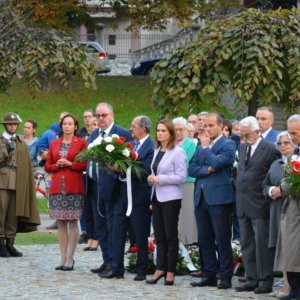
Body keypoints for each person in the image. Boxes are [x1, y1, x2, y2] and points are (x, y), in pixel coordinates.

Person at [101, 116, 154, 280]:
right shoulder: (131, 145)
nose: (130, 129)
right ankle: (117, 267)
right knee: (117, 230)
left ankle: (142, 269)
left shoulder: (151, 147)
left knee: (140, 233)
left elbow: (145, 170)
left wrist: (122, 167)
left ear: (143, 128)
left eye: (133, 126)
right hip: (122, 193)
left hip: (139, 195)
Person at [189, 113, 236, 290]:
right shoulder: (202, 144)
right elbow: (192, 169)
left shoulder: (228, 144)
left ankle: (225, 276)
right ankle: (208, 274)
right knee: (204, 239)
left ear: (220, 125)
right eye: (205, 126)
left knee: (222, 239)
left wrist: (208, 151)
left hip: (219, 199)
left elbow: (218, 164)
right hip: (201, 198)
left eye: (210, 125)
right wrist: (206, 170)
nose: (207, 129)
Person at [235, 116, 281, 294]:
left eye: (247, 134)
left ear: (257, 132)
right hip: (242, 203)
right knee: (246, 244)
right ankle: (251, 278)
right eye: (242, 135)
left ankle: (265, 280)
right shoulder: (242, 147)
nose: (244, 138)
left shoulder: (270, 149)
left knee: (261, 244)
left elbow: (274, 175)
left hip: (260, 203)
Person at [87, 103, 132, 276]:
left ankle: (115, 264)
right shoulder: (94, 135)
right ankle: (107, 260)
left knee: (114, 228)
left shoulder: (121, 134)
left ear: (112, 115)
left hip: (114, 189)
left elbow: (128, 162)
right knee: (101, 227)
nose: (100, 119)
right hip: (95, 187)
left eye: (103, 115)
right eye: (97, 116)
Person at [146, 119, 186, 286]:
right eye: (158, 130)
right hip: (156, 197)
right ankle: (159, 268)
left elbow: (181, 177)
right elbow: (154, 172)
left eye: (163, 130)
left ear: (170, 133)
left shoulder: (177, 152)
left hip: (171, 198)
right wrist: (151, 179)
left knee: (170, 236)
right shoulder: (156, 150)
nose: (160, 133)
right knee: (159, 236)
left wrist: (160, 179)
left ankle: (170, 271)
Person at [45, 113, 87, 271]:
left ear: (75, 126)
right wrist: (56, 165)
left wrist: (70, 163)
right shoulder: (54, 144)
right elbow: (47, 165)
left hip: (74, 186)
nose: (67, 126)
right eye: (64, 124)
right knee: (61, 223)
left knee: (72, 221)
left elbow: (85, 164)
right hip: (57, 187)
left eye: (70, 124)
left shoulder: (81, 143)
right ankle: (62, 258)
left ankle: (70, 258)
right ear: (61, 126)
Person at [0, 112, 40, 257]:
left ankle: (10, 244)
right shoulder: (1, 140)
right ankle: (1, 246)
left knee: (12, 214)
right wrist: (6, 151)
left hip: (18, 181)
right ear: (5, 125)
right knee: (1, 213)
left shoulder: (21, 143)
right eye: (10, 124)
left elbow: (26, 163)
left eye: (15, 124)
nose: (12, 126)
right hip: (2, 182)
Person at [262, 131, 295, 297]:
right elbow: (265, 184)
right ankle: (284, 285)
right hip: (276, 208)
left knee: (291, 248)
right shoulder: (276, 163)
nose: (283, 146)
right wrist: (270, 191)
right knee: (279, 246)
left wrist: (281, 191)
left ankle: (291, 287)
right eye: (280, 143)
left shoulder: (296, 162)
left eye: (286, 143)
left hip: (292, 208)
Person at [275, 115, 300, 300]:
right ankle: (294, 288)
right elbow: (287, 176)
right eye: (290, 132)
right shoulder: (295, 153)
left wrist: (283, 187)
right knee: (290, 250)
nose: (292, 137)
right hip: (291, 205)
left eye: (294, 133)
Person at [37, 112, 69, 231]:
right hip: (52, 170)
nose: (63, 123)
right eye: (61, 120)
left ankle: (66, 219)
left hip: (67, 171)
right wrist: (42, 152)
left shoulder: (73, 135)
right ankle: (57, 219)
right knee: (52, 193)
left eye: (66, 120)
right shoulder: (50, 133)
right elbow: (41, 144)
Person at [173, 117, 197, 246]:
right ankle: (176, 240)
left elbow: (185, 163)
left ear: (186, 131)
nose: (179, 132)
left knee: (186, 213)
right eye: (176, 129)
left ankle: (187, 241)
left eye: (181, 129)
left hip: (187, 182)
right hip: (172, 183)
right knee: (176, 215)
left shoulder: (190, 144)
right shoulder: (170, 143)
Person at [77, 109, 96, 245]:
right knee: (84, 206)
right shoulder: (80, 134)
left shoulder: (98, 135)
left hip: (94, 173)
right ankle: (85, 232)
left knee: (94, 205)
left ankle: (95, 235)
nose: (87, 119)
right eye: (85, 117)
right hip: (82, 173)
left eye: (89, 117)